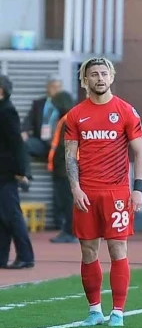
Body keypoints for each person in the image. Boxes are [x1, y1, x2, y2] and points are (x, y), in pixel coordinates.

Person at [64, 58, 142, 327]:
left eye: (104, 73)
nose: (99, 78)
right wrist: (75, 188)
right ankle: (94, 310)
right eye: (94, 74)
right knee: (88, 250)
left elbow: (140, 153)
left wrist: (137, 189)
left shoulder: (125, 111)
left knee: (117, 248)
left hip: (117, 192)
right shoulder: (76, 115)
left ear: (111, 77)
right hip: (86, 192)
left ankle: (119, 312)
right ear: (85, 80)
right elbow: (70, 157)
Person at [0, 75, 35, 269]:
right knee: (3, 216)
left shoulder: (7, 111)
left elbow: (16, 143)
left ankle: (26, 256)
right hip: (4, 171)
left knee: (12, 215)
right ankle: (1, 256)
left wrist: (22, 171)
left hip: (7, 172)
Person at [47, 91, 77, 243]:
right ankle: (69, 230)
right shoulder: (67, 118)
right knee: (66, 201)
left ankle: (70, 231)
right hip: (63, 167)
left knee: (67, 201)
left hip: (64, 169)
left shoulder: (68, 120)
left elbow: (64, 146)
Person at [22, 75, 63, 163]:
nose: (57, 90)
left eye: (59, 87)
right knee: (21, 143)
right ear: (47, 88)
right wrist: (23, 132)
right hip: (41, 142)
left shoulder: (66, 104)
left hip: (59, 145)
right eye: (54, 87)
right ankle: (24, 174)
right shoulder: (38, 104)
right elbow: (28, 121)